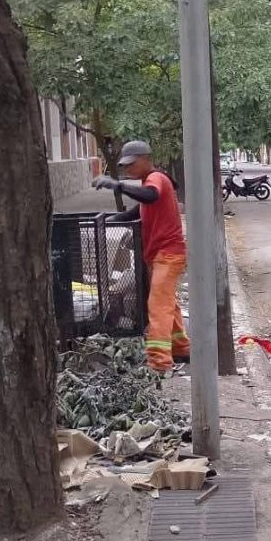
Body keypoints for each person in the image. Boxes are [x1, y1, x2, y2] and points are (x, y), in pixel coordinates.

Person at [93, 140, 190, 374]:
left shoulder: (155, 179)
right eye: (124, 167)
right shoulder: (149, 182)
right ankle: (180, 347)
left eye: (131, 165)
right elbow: (139, 210)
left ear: (146, 159)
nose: (128, 170)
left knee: (158, 305)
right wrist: (111, 219)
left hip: (167, 254)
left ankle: (158, 362)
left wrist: (118, 185)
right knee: (168, 303)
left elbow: (150, 196)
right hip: (159, 254)